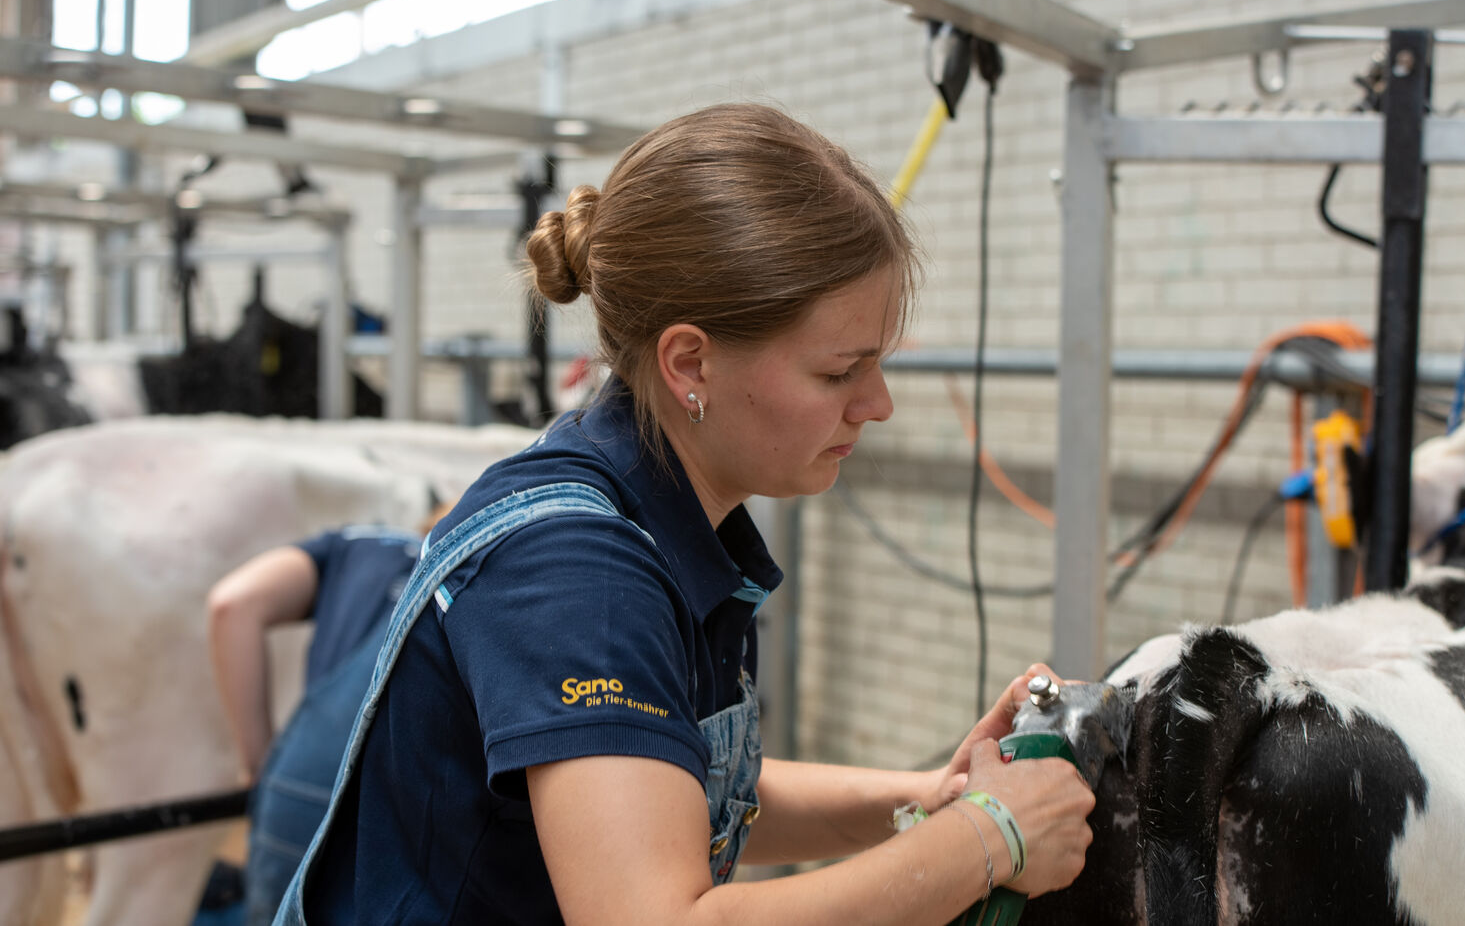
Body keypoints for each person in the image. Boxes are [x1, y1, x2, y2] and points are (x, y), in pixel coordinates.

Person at [277, 103, 1095, 925]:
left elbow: (686, 792)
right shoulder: (577, 573)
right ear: (689, 362)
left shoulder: (660, 522)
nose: (875, 404)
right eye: (840, 370)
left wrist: (936, 797)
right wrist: (988, 841)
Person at [207, 507, 449, 926]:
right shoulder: (474, 568)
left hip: (295, 803)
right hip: (397, 823)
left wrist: (259, 766)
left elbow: (231, 604)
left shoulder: (356, 545)